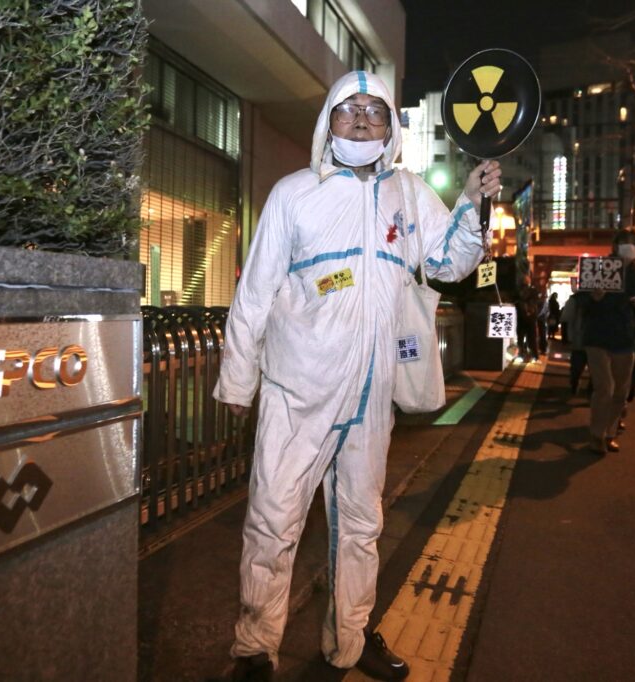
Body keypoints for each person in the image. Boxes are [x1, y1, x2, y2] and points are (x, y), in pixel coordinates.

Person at [213, 70, 501, 682]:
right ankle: (254, 651)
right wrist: (239, 380)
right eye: (350, 108)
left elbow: (448, 261)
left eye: (376, 109)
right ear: (329, 122)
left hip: (372, 396)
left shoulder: (411, 191)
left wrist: (474, 203)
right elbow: (256, 293)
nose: (364, 117)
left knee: (363, 524)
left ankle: (349, 639)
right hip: (298, 391)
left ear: (391, 125)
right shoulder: (294, 193)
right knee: (273, 520)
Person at [578, 226, 635, 454]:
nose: (631, 247)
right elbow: (581, 303)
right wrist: (593, 297)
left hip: (625, 337)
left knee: (621, 391)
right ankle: (596, 435)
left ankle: (610, 433)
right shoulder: (599, 268)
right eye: (626, 242)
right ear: (616, 245)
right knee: (604, 388)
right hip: (597, 336)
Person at [558, 288, 587, 395]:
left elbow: (565, 319)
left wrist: (565, 339)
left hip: (579, 339)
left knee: (577, 366)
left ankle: (575, 383)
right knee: (596, 369)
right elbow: (565, 320)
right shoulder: (604, 296)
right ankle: (589, 390)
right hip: (594, 341)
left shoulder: (575, 299)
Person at [515, 272, 540, 362]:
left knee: (520, 337)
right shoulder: (533, 291)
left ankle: (520, 355)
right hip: (531, 317)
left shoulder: (518, 291)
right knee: (532, 338)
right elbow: (537, 303)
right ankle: (534, 356)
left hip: (521, 317)